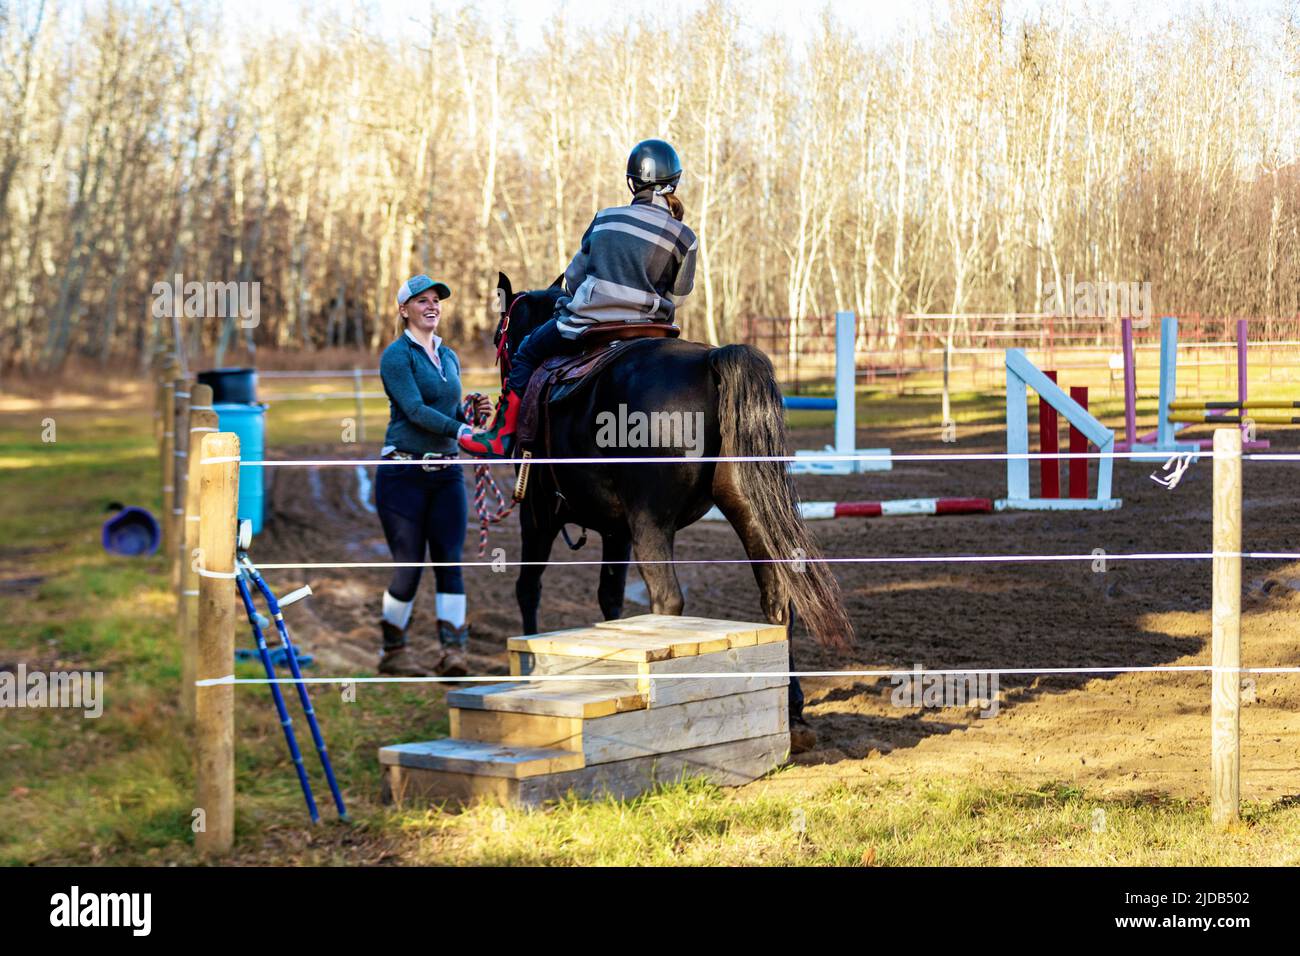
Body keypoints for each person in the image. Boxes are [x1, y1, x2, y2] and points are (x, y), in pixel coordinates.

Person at [459, 139, 698, 459]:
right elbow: (677, 298)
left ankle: (500, 436)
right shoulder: (684, 236)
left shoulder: (605, 219)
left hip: (589, 324)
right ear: (674, 180)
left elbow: (571, 281)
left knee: (527, 352)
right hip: (652, 328)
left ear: (632, 181)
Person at [375, 275, 489, 676]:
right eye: (421, 301)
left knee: (449, 561)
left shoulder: (450, 356)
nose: (432, 306)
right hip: (402, 474)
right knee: (408, 565)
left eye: (436, 300)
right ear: (404, 310)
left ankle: (453, 654)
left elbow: (451, 413)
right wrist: (460, 430)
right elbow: (415, 411)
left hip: (446, 475)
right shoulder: (396, 356)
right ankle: (393, 651)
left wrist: (470, 418)